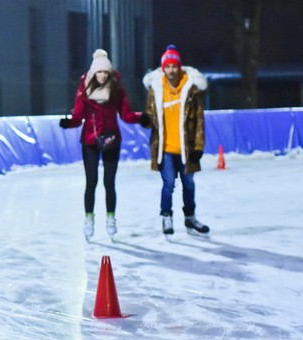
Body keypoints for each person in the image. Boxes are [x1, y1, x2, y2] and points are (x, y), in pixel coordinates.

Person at [59, 49, 147, 240]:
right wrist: (69, 123)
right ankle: (89, 219)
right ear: (93, 73)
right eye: (99, 72)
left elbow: (126, 115)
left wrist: (141, 118)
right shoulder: (84, 92)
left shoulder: (117, 91)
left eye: (105, 72)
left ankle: (111, 218)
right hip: (90, 141)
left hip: (111, 141)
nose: (102, 75)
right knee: (91, 182)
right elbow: (78, 116)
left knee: (109, 182)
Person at [142, 45, 210, 236]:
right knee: (169, 184)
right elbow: (151, 115)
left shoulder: (191, 90)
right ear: (163, 69)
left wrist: (198, 146)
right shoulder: (156, 89)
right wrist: (146, 120)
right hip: (165, 148)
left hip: (187, 148)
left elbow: (199, 121)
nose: (171, 70)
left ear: (179, 67)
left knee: (189, 184)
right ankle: (166, 217)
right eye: (168, 66)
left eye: (174, 66)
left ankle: (190, 218)